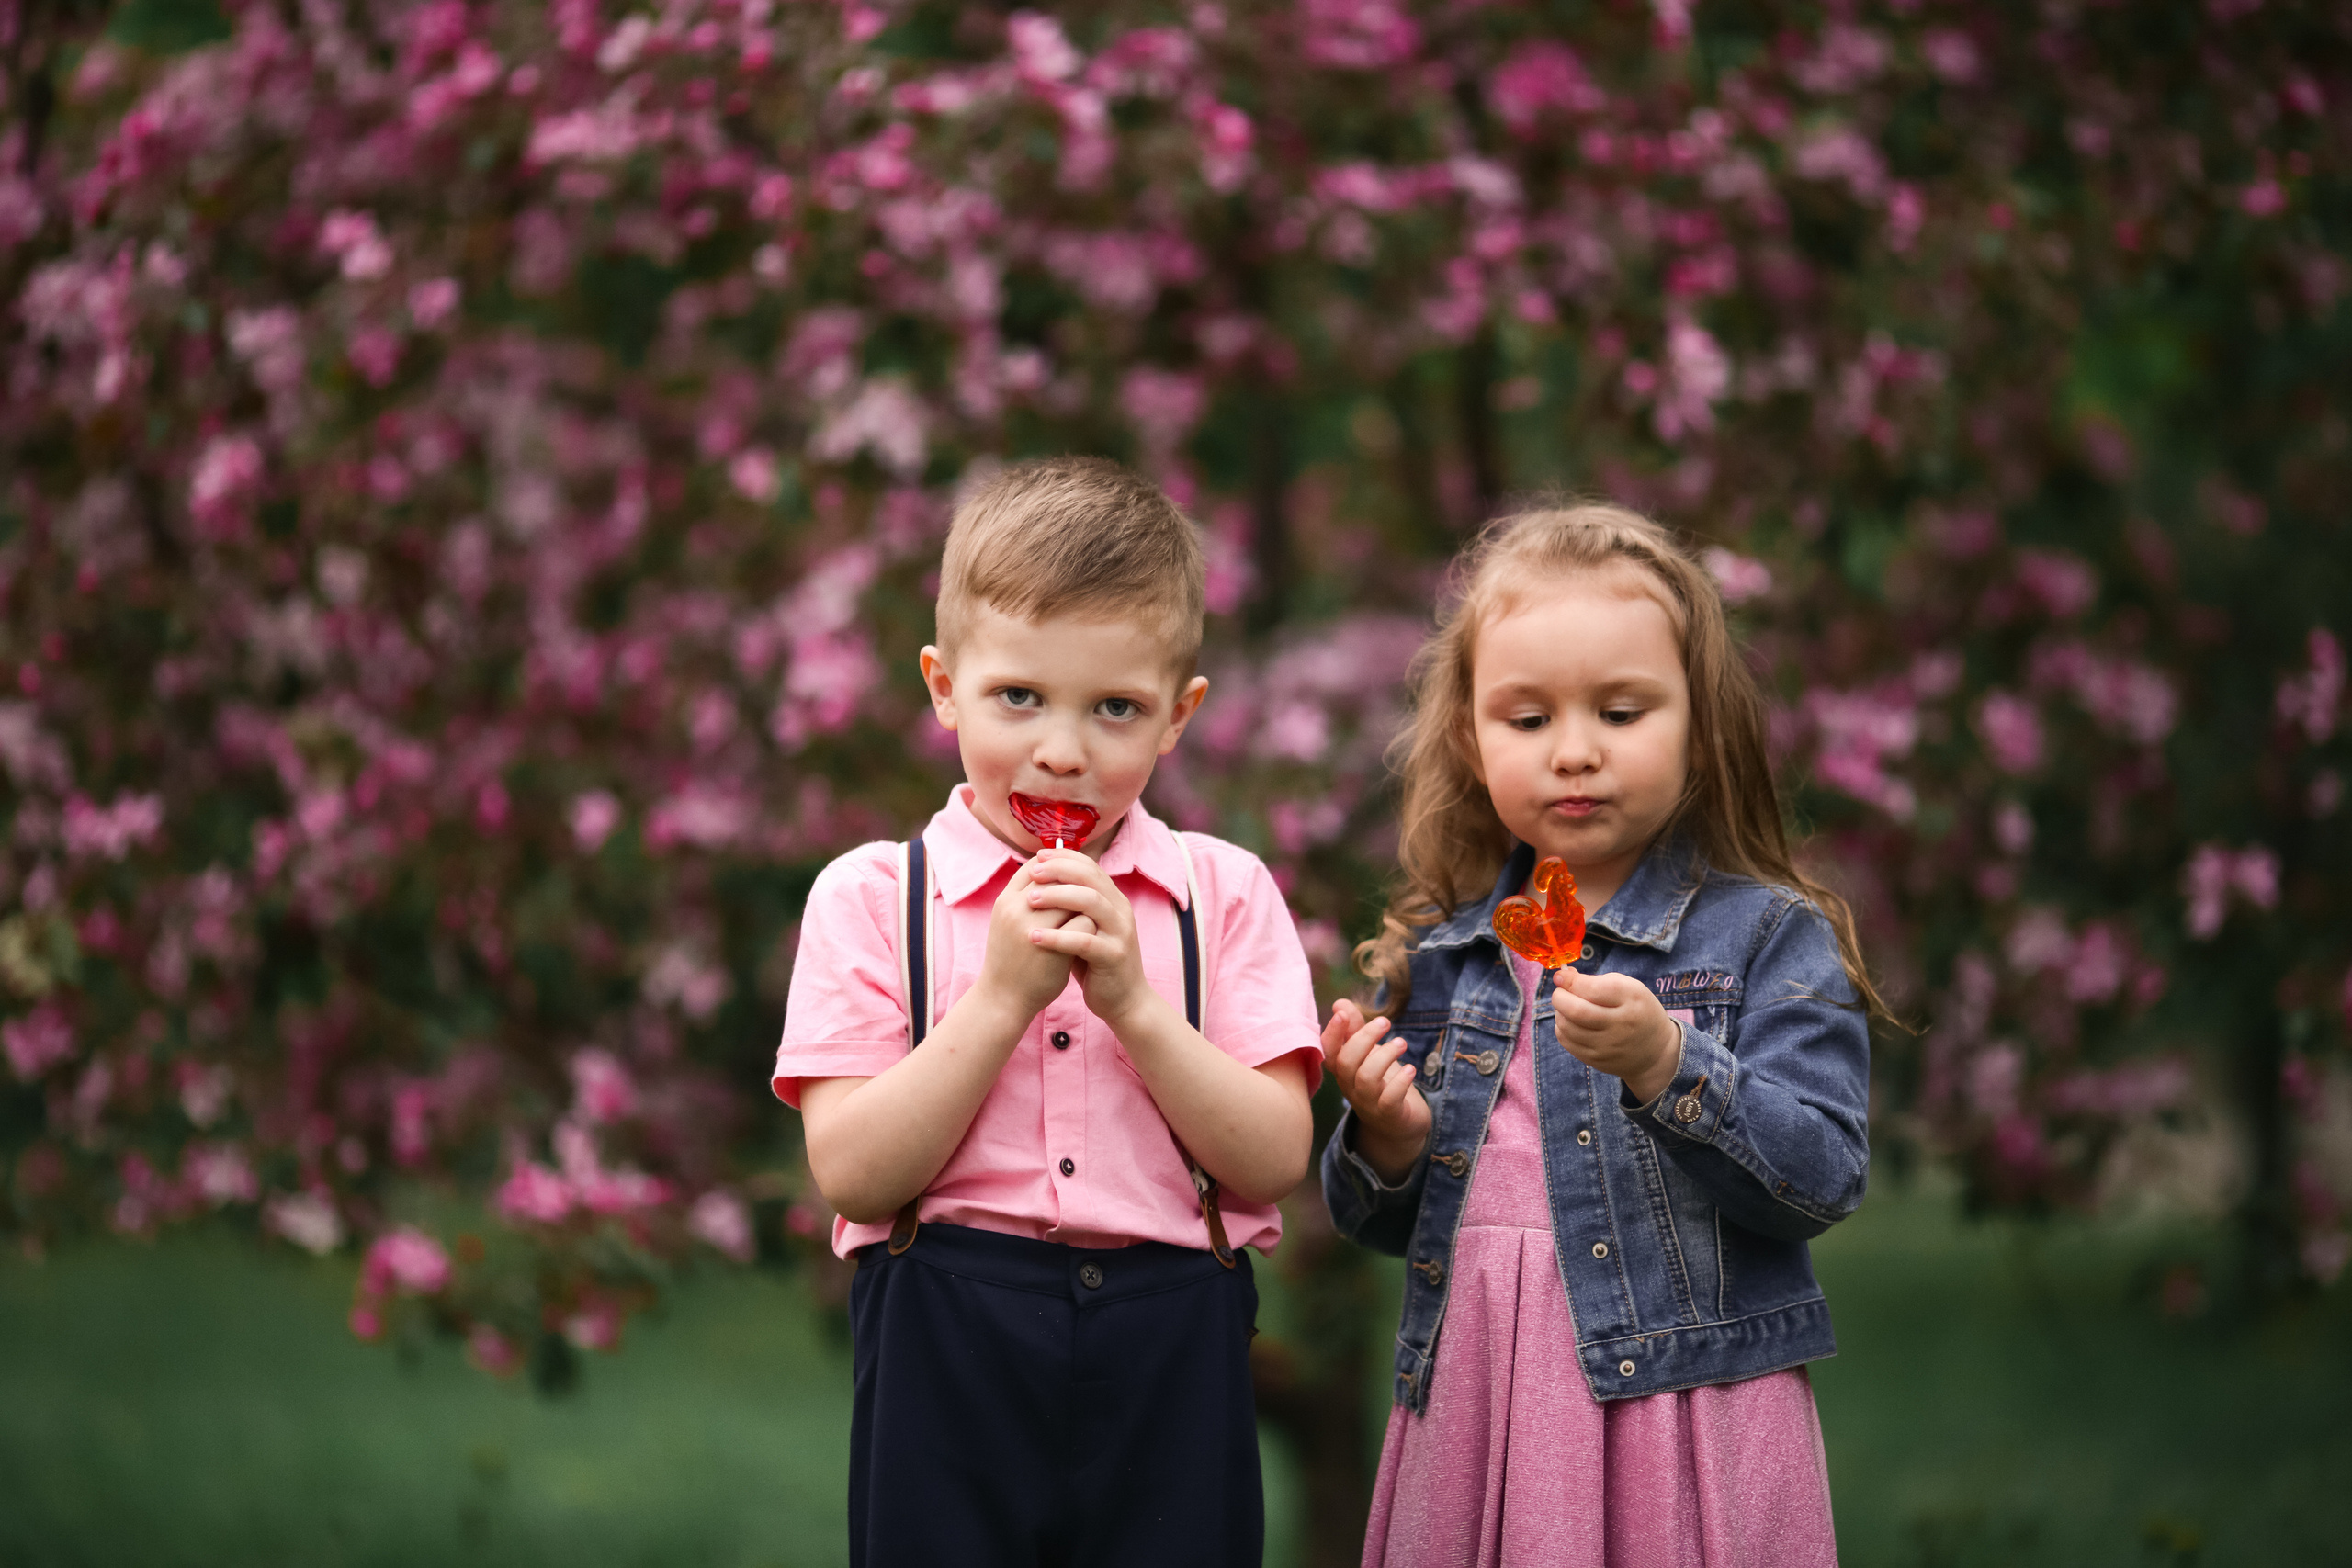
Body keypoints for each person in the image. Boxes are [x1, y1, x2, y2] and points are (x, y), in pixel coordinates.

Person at [775, 457, 1322, 1568]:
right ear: (942, 686)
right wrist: (998, 1000)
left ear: (1179, 717)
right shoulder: (873, 897)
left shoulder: (1223, 897)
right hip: (947, 1330)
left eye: (1115, 709)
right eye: (1017, 697)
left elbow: (1268, 1160)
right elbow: (855, 1174)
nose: (1063, 751)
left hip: (1172, 1331)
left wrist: (1132, 1002)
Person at [1321, 502, 1886, 1567]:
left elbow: (1823, 1176)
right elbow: (1379, 1218)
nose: (1573, 752)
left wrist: (1670, 1067)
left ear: (1698, 727)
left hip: (1681, 1402)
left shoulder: (1767, 935)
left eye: (1620, 713)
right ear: (1470, 737)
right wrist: (1386, 1143)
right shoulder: (1445, 958)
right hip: (1481, 1387)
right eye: (1526, 721)